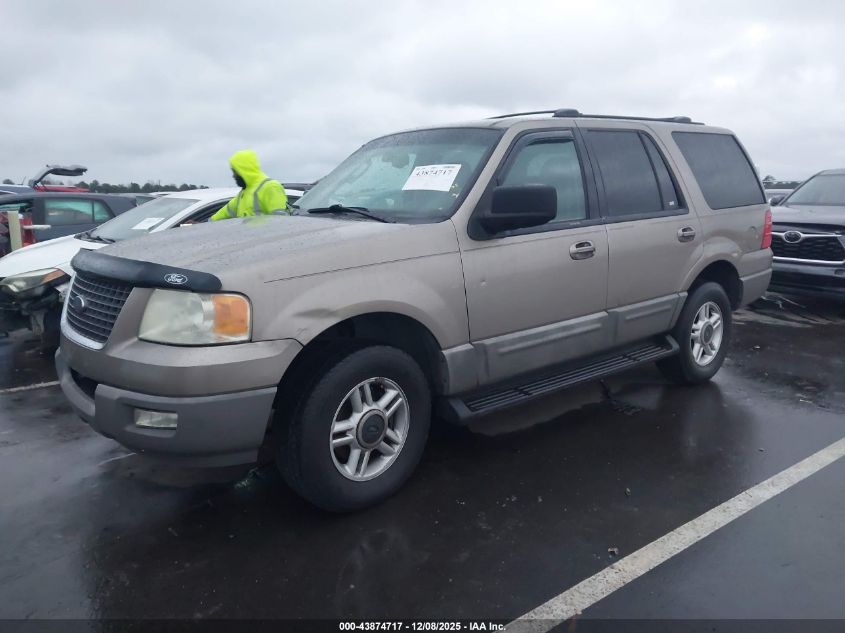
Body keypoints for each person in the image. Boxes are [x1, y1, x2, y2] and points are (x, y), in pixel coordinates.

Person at [211, 150, 288, 221]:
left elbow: (280, 221)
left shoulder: (271, 187)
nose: (233, 176)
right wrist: (207, 224)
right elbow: (225, 212)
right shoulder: (245, 192)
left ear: (244, 170)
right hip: (247, 235)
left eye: (235, 171)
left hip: (266, 236)